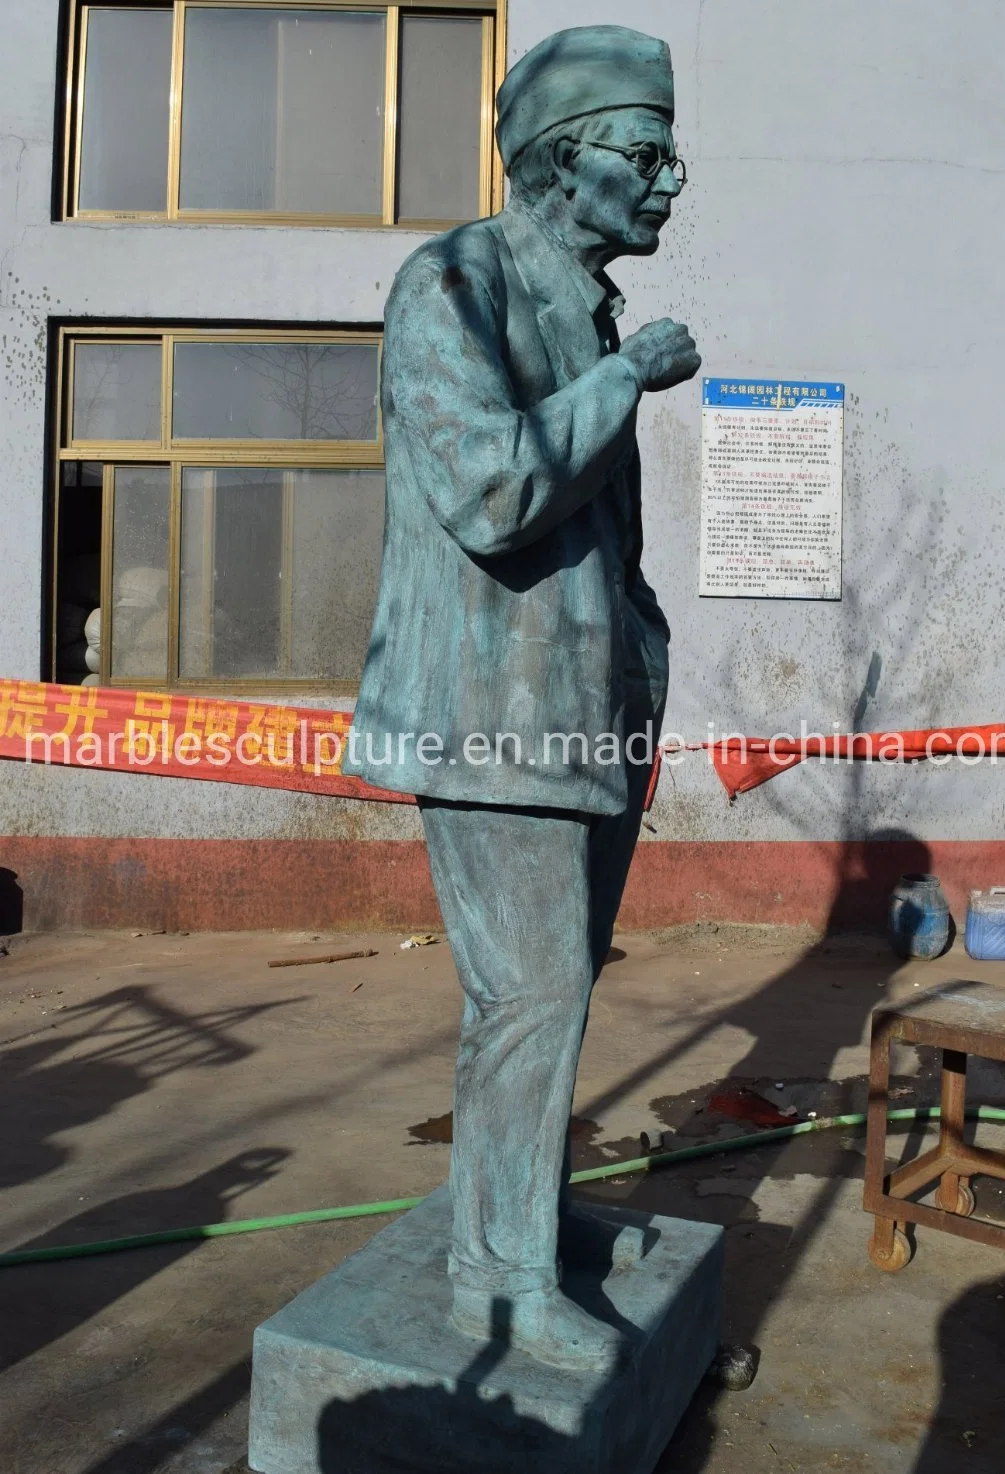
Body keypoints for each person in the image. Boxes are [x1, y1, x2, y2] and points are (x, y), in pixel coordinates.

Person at [343, 24, 700, 1372]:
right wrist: (624, 379)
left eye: (671, 153)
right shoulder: (452, 280)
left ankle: (520, 1227)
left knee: (553, 992)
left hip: (585, 713)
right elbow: (490, 491)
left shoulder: (584, 304)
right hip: (487, 713)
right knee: (530, 993)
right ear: (564, 158)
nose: (671, 180)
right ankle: (497, 1286)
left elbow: (600, 543)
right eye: (646, 151)